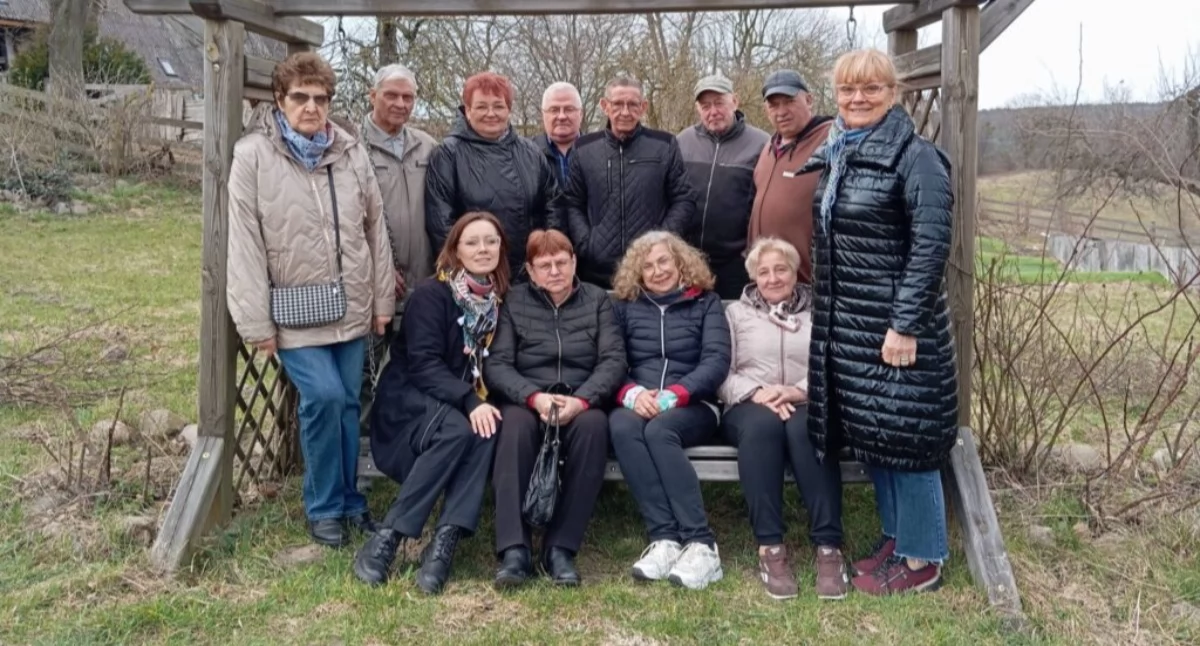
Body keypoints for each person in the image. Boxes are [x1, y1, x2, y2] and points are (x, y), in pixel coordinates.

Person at [798, 49, 958, 596]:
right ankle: (897, 538)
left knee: (909, 440)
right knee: (880, 437)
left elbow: (930, 248)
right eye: (848, 89)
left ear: (893, 93)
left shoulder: (918, 158)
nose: (858, 99)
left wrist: (906, 324)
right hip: (853, 329)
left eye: (871, 89)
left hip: (897, 330)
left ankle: (923, 559)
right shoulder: (841, 153)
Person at [226, 51, 393, 549]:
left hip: (351, 303)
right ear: (280, 99)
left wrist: (382, 298)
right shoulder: (254, 156)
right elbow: (244, 242)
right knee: (323, 398)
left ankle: (350, 501)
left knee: (348, 404)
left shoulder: (349, 151)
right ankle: (323, 507)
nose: (311, 107)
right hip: (293, 311)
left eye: (321, 98)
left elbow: (375, 228)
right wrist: (256, 322)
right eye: (300, 97)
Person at [354, 212, 511, 594]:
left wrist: (479, 403)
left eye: (491, 241)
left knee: (486, 429)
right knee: (460, 428)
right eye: (472, 242)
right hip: (410, 401)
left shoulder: (499, 301)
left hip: (459, 403)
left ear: (501, 248)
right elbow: (423, 365)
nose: (483, 249)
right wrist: (470, 401)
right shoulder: (432, 295)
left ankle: (444, 542)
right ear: (455, 249)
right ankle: (388, 538)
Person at [484, 229, 627, 588]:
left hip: (580, 398)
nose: (554, 271)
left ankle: (560, 547)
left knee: (594, 427)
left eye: (561, 262)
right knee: (513, 427)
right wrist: (533, 397)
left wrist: (582, 400)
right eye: (544, 265)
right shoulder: (514, 301)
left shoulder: (596, 299)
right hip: (528, 399)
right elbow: (497, 364)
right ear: (531, 271)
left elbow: (613, 360)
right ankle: (515, 549)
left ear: (574, 262)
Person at [717, 237, 847, 601]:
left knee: (808, 429)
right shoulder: (735, 314)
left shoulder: (819, 310)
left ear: (795, 272)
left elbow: (833, 364)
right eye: (764, 272)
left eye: (781, 269)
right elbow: (720, 372)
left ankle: (829, 546)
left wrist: (798, 390)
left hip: (807, 399)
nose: (773, 278)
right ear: (753, 277)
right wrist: (758, 392)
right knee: (762, 428)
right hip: (749, 402)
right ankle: (770, 546)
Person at [608, 231, 731, 590]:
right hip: (640, 399)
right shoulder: (625, 306)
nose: (657, 271)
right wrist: (631, 393)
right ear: (638, 273)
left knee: (660, 430)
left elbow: (716, 360)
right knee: (622, 426)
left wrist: (675, 395)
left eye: (664, 261)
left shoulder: (705, 302)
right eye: (647, 266)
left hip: (695, 404)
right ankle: (664, 538)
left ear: (680, 263)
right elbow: (611, 360)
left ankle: (701, 544)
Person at [562, 76, 696, 288]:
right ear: (604, 106)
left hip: (650, 270)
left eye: (633, 104)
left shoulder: (664, 145)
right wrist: (587, 243)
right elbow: (572, 202)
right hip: (597, 272)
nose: (625, 112)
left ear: (643, 107)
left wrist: (661, 240)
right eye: (617, 104)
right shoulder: (584, 148)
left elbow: (683, 199)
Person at [425, 72, 560, 276]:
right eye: (481, 107)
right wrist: (463, 273)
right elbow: (441, 222)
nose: (491, 113)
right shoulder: (447, 154)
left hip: (528, 274)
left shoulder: (531, 153)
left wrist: (543, 258)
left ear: (509, 110)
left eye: (498, 106)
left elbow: (553, 207)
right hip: (474, 275)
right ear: (467, 110)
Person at [676, 73, 770, 299]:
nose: (713, 111)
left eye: (719, 103)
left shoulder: (762, 144)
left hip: (736, 263)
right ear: (698, 109)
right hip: (688, 260)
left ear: (735, 101)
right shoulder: (682, 141)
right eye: (705, 106)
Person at [746, 69, 834, 285]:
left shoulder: (831, 140)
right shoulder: (768, 147)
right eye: (774, 105)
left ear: (809, 100)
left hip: (810, 279)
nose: (781, 112)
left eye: (789, 102)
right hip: (769, 278)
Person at [364, 63, 439, 311]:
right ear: (373, 96)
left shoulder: (428, 146)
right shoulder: (352, 146)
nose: (400, 104)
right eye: (391, 95)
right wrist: (377, 266)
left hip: (425, 281)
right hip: (372, 286)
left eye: (408, 97)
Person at [531, 82, 583, 185]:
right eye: (554, 110)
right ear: (543, 115)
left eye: (569, 109)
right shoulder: (527, 154)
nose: (562, 116)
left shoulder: (598, 152)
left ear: (581, 114)